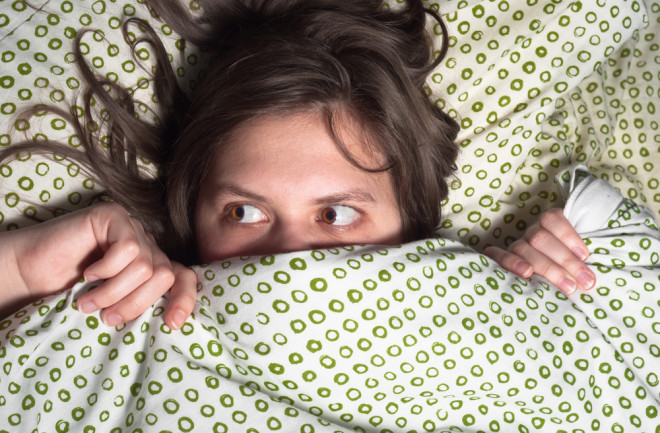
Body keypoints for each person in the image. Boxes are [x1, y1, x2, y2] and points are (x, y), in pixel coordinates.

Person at [0, 0, 595, 329]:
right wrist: (24, 270)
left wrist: (528, 307)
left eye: (336, 213)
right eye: (243, 211)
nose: (286, 254)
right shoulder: (131, 315)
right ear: (192, 226)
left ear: (416, 226)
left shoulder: (475, 316)